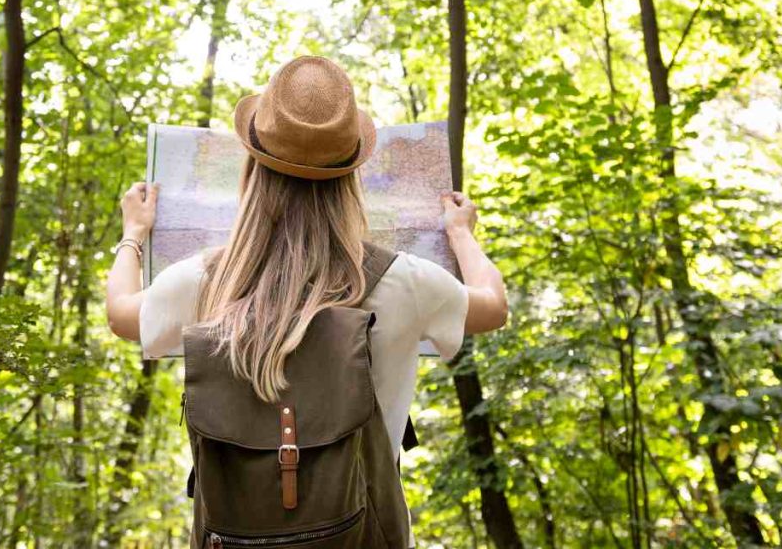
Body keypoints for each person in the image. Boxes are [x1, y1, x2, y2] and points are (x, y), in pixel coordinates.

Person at [105, 55, 508, 547]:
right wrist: (461, 236)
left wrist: (134, 235)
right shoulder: (404, 281)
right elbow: (493, 304)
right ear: (352, 177)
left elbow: (122, 315)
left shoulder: (204, 280)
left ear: (252, 168)